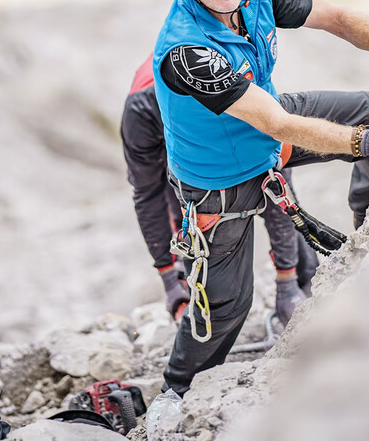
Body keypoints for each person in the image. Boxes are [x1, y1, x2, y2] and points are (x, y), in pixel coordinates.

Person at [155, 0, 369, 396]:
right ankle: (176, 393)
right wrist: (364, 143)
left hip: (268, 131)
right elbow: (275, 123)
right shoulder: (186, 52)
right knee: (227, 309)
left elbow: (336, 17)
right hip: (222, 181)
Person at [120, 59, 318, 326]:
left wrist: (287, 279)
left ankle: (307, 285)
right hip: (162, 121)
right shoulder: (142, 114)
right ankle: (204, 309)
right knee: (190, 216)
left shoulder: (239, 95)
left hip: (229, 112)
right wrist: (169, 277)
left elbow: (279, 192)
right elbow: (148, 197)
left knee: (277, 194)